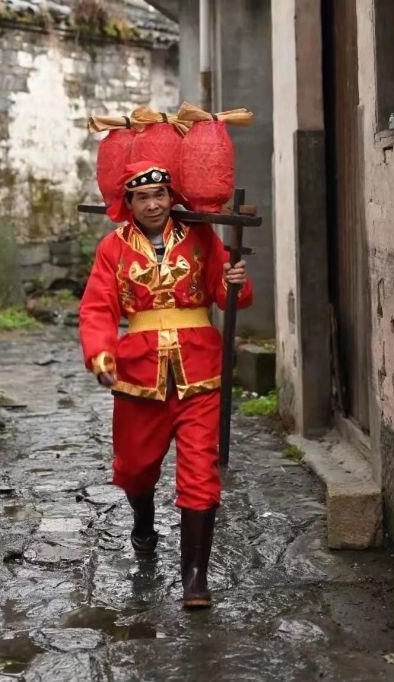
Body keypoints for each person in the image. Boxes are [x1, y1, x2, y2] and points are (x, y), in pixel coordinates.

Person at [79, 162, 252, 609]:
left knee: (199, 473)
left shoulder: (200, 235)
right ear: (128, 203)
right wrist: (102, 357)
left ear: (171, 197)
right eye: (143, 196)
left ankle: (195, 578)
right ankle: (143, 521)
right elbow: (98, 308)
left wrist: (235, 280)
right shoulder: (111, 249)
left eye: (160, 194)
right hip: (139, 377)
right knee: (135, 467)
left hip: (199, 372)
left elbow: (225, 292)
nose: (153, 204)